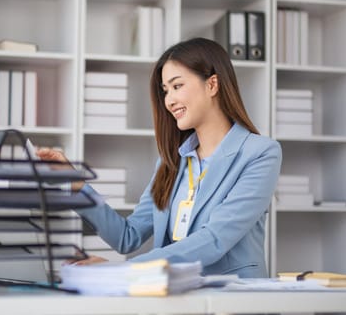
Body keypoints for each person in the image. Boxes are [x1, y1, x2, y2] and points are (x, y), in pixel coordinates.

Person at [37, 37, 282, 278]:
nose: (169, 101)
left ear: (212, 85)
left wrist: (122, 269)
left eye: (177, 86)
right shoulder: (171, 162)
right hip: (175, 295)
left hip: (233, 299)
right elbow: (127, 237)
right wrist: (75, 184)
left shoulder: (260, 153)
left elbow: (215, 239)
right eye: (165, 91)